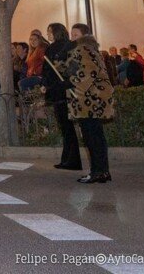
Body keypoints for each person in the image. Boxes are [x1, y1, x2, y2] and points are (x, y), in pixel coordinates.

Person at [65, 23, 114, 183]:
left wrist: (70, 82)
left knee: (91, 138)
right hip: (95, 99)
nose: (72, 38)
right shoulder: (92, 49)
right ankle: (102, 171)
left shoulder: (82, 49)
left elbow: (88, 74)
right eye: (71, 34)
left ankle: (97, 172)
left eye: (75, 35)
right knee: (97, 137)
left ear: (84, 36)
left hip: (88, 101)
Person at [42, 23, 81, 171]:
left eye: (49, 32)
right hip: (66, 88)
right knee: (67, 127)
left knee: (66, 127)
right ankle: (69, 159)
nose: (48, 35)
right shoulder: (68, 46)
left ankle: (71, 160)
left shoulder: (55, 48)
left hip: (60, 90)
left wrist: (47, 84)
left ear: (56, 32)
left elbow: (49, 70)